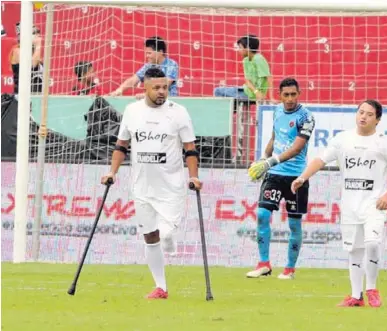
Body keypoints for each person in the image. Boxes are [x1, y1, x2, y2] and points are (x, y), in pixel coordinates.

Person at [291, 100, 387, 307]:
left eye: (369, 114)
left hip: (374, 204)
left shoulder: (384, 142)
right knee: (354, 249)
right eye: (360, 112)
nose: (363, 117)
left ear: (378, 119)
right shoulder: (343, 139)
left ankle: (371, 288)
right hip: (349, 204)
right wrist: (303, 177)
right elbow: (321, 160)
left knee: (372, 243)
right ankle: (356, 296)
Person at [101, 67, 202, 299]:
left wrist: (193, 176)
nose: (161, 92)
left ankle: (169, 243)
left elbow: (190, 148)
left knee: (165, 235)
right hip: (142, 186)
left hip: (171, 186)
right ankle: (161, 287)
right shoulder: (132, 111)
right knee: (150, 236)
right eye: (156, 87)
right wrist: (112, 172)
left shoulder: (178, 113)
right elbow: (121, 145)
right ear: (144, 87)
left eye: (165, 87)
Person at [247, 78, 315, 279]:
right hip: (275, 174)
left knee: (294, 224)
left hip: (297, 177)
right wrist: (262, 159)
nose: (290, 98)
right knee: (262, 215)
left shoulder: (306, 117)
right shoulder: (277, 111)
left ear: (299, 93)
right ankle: (264, 263)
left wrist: (270, 162)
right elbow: (274, 138)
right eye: (286, 95)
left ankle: (290, 268)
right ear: (280, 95)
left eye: (294, 94)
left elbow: (297, 148)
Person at [110, 36, 179, 98]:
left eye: (149, 53)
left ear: (160, 52)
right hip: (152, 103)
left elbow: (166, 83)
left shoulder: (171, 64)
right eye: (146, 53)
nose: (147, 56)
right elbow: (134, 79)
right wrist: (120, 89)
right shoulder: (149, 66)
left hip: (168, 102)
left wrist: (148, 94)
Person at [214, 34, 275, 103]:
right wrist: (255, 91)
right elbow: (247, 81)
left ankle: (228, 112)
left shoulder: (258, 59)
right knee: (221, 91)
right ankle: (232, 111)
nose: (238, 50)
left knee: (217, 91)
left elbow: (269, 78)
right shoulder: (245, 60)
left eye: (240, 47)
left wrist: (271, 97)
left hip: (253, 95)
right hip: (248, 90)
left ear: (248, 48)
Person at [9, 23, 43, 94]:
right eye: (34, 33)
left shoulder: (34, 54)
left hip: (36, 97)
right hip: (22, 98)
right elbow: (32, 65)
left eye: (37, 32)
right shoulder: (17, 51)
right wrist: (38, 45)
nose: (37, 35)